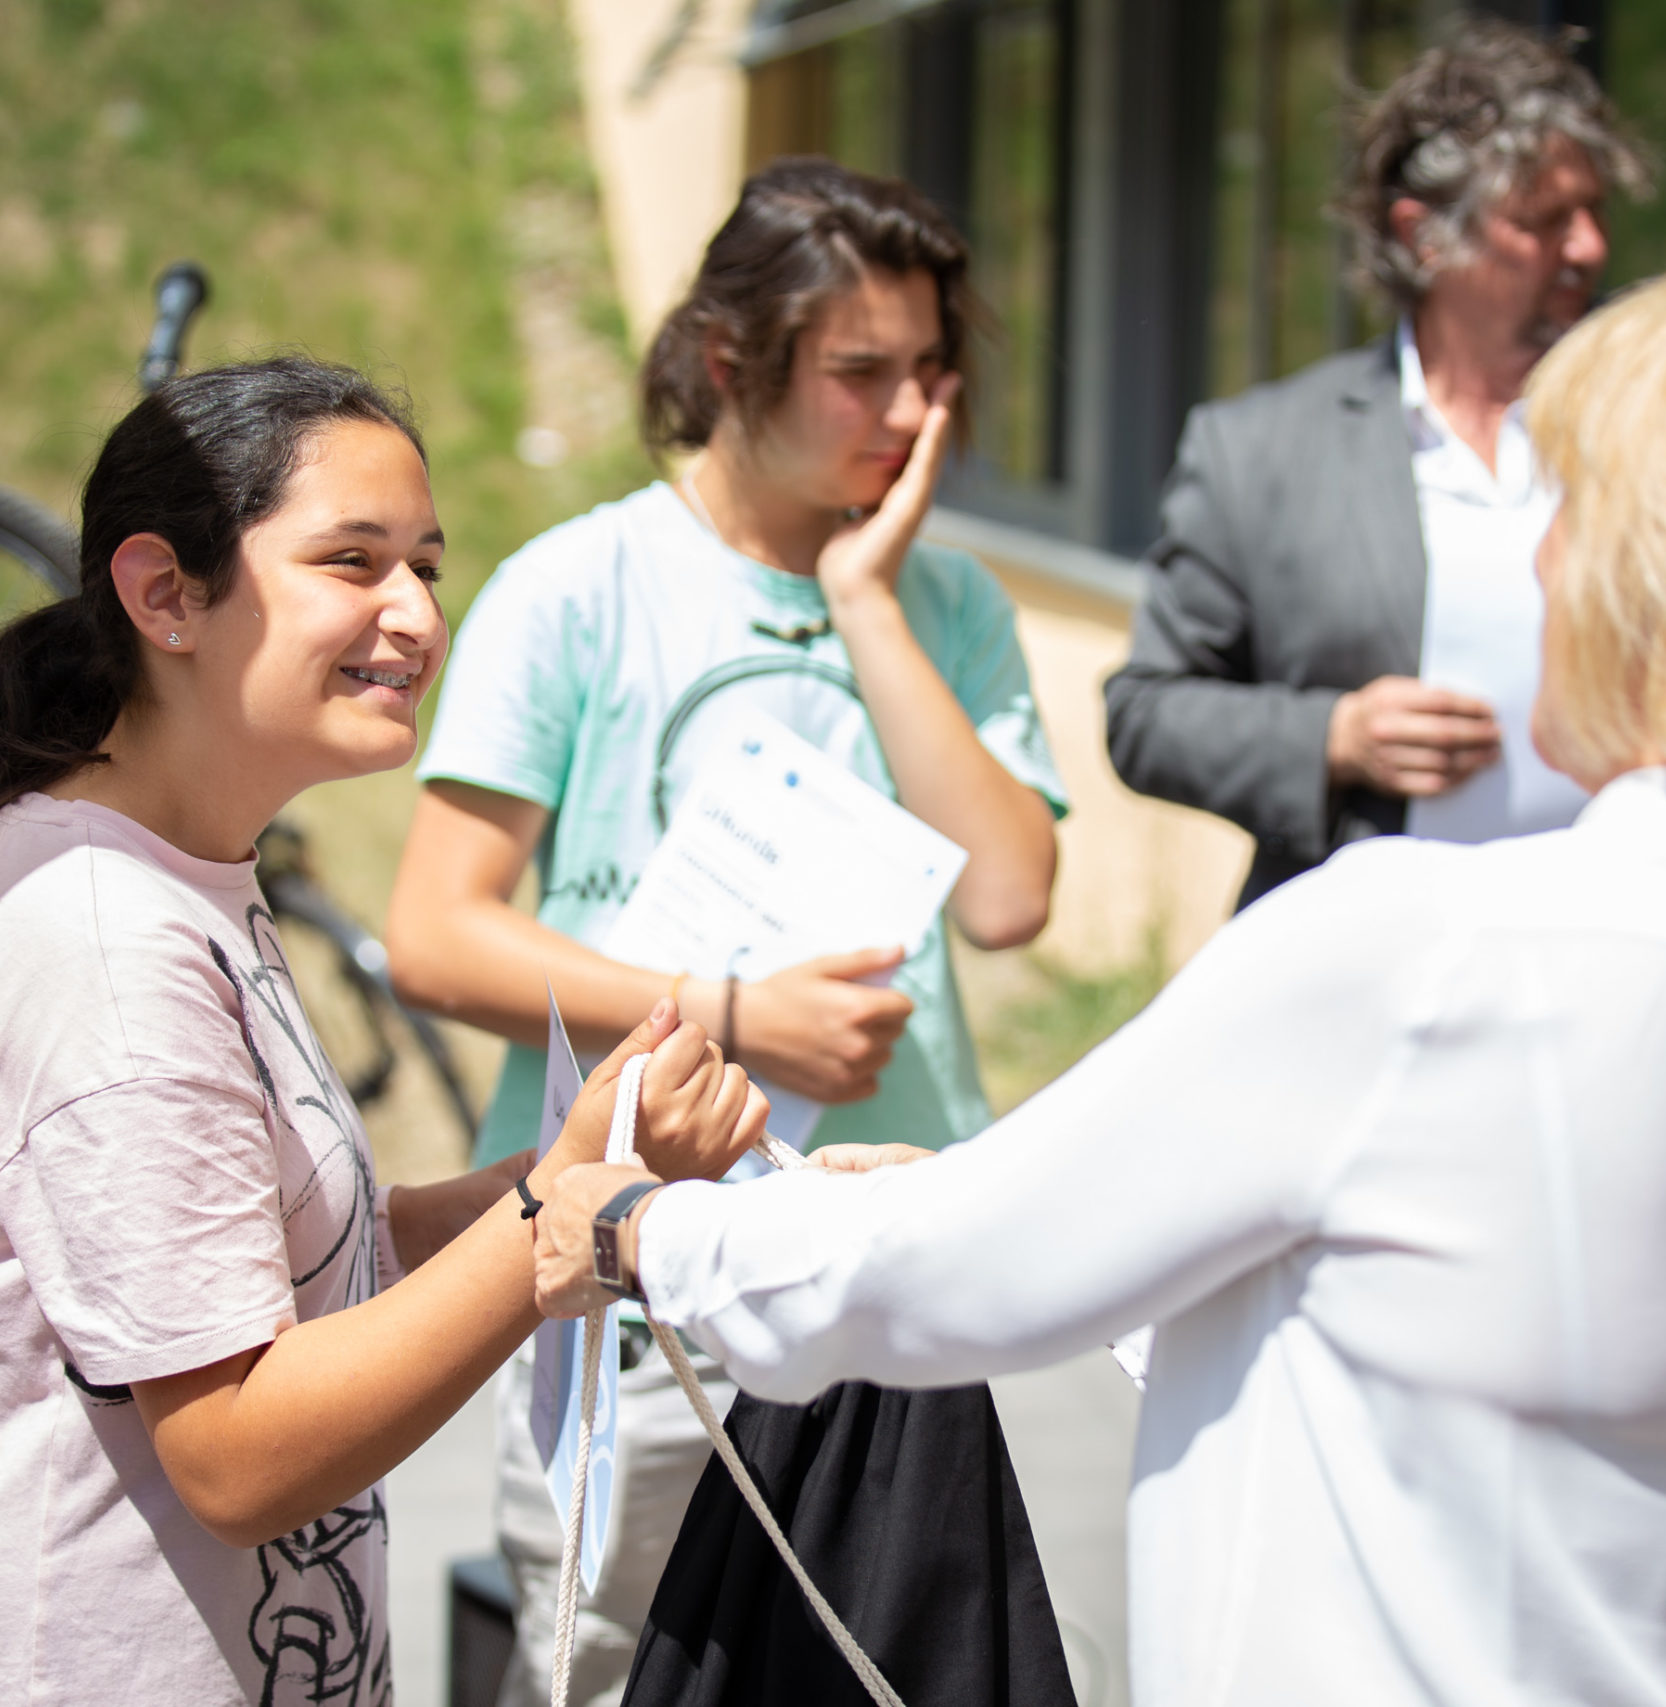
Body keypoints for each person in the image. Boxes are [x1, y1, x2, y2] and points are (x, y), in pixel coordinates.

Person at [528, 232, 1666, 1705]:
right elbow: (1451, 1307)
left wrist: (641, 1225)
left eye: (1574, 506)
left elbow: (933, 1281)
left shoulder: (1430, 950)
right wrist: (952, 1195)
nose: (1537, 556)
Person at [0, 356, 762, 1706]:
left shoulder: (184, 872)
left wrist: (585, 1166)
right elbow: (237, 1453)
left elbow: (299, 1258)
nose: (417, 615)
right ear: (165, 595)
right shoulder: (102, 939)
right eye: (352, 561)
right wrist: (557, 1216)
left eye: (425, 566)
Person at [383, 158, 1065, 1704]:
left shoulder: (948, 601)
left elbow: (1012, 896)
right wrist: (735, 1014)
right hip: (641, 1275)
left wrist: (868, 601)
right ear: (728, 358)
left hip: (885, 1264)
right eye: (861, 371)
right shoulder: (577, 587)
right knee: (622, 1664)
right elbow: (436, 934)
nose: (908, 412)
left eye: (931, 371)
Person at [1103, 21, 1648, 907]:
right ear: (1424, 235)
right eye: (1544, 220)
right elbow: (1147, 715)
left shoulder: (1655, 426)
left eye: (1593, 211)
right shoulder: (1263, 450)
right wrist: (1335, 735)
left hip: (1611, 932)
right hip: (1369, 942)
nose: (1588, 246)